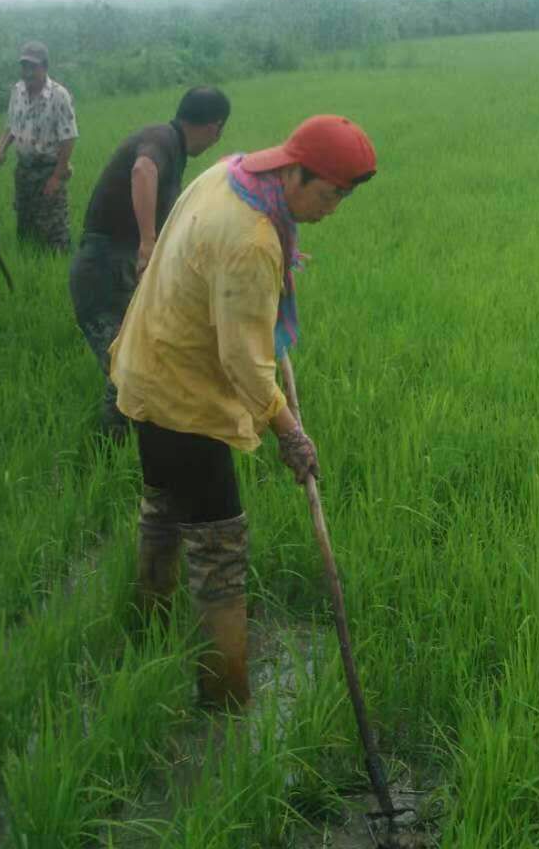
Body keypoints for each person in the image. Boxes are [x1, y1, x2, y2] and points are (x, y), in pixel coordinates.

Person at [107, 115, 377, 710]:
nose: (332, 210)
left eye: (343, 198)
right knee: (220, 549)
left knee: (163, 509)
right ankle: (225, 696)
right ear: (295, 172)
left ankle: (148, 629)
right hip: (185, 396)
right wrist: (291, 434)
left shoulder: (230, 173)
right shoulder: (253, 240)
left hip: (147, 368)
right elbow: (245, 365)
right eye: (329, 195)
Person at [70, 87, 230, 434]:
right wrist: (147, 242)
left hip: (115, 270)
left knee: (142, 363)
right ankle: (104, 451)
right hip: (103, 273)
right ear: (214, 128)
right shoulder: (162, 139)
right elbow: (143, 170)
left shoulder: (170, 145)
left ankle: (124, 445)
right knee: (129, 368)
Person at [0, 41, 78, 252]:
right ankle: (29, 259)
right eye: (24, 66)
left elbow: (69, 138)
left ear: (45, 67)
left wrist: (57, 176)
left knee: (54, 231)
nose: (27, 72)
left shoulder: (59, 95)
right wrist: (1, 147)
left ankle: (57, 262)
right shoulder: (17, 91)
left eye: (33, 67)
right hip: (24, 170)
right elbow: (12, 125)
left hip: (48, 170)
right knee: (26, 227)